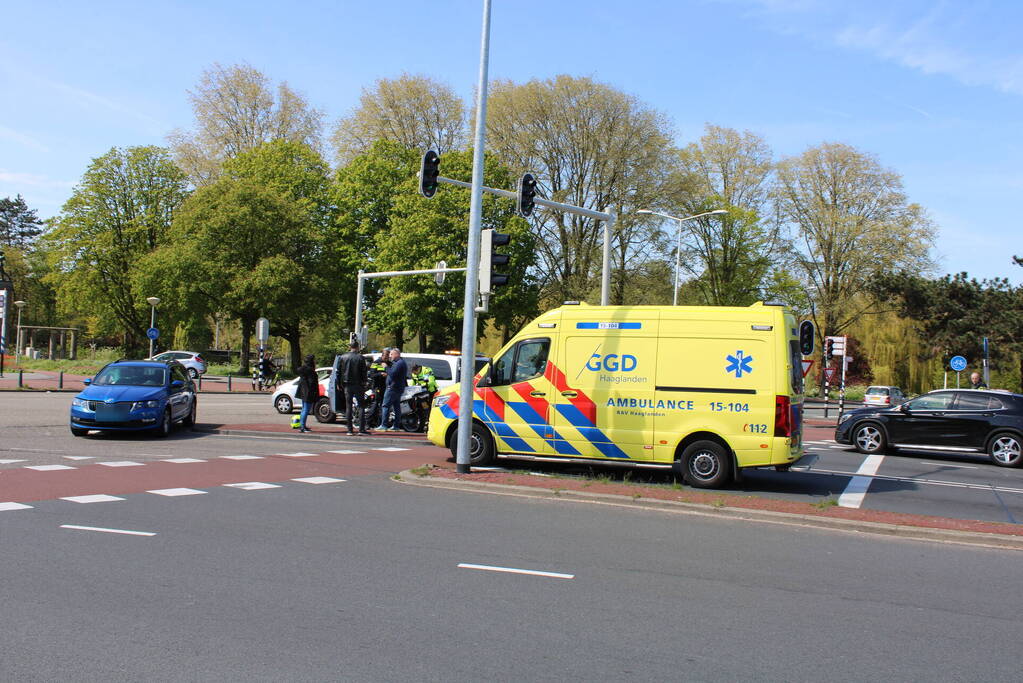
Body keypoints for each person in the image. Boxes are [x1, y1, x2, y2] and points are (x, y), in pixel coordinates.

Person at [340, 340, 370, 435]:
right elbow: (363, 372)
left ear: (350, 347)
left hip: (347, 384)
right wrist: (365, 382)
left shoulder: (343, 357)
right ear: (357, 347)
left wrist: (339, 383)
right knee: (361, 406)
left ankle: (349, 429)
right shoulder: (360, 358)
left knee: (348, 406)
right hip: (358, 384)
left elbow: (339, 371)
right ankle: (361, 429)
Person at [376, 347, 408, 431]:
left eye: (391, 354)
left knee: (385, 405)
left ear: (396, 354)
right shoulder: (400, 362)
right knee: (396, 406)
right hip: (397, 387)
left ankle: (384, 425)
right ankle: (396, 426)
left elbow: (392, 374)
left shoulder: (399, 363)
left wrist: (386, 367)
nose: (390, 356)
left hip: (393, 388)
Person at [295, 354, 320, 432]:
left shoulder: (303, 369)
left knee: (303, 409)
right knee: (306, 409)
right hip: (308, 392)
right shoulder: (311, 371)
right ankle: (302, 427)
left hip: (303, 391)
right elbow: (312, 383)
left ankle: (302, 425)